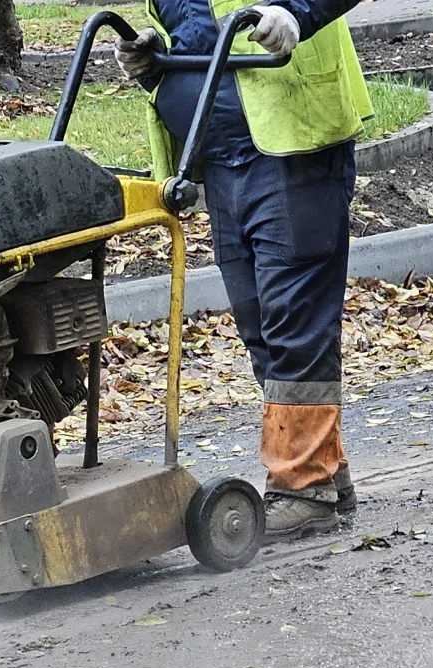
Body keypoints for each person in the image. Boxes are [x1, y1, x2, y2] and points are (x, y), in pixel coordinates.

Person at [116, 0, 370, 537]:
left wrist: (296, 12)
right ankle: (322, 466)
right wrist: (155, 65)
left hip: (292, 147)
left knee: (292, 318)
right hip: (220, 159)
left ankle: (303, 487)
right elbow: (194, 34)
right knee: (259, 326)